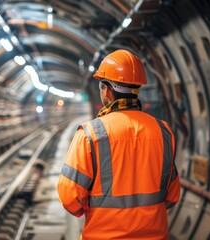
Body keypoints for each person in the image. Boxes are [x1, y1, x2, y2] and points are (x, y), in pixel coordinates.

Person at [57, 49, 180, 240]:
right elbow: (172, 196)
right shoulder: (163, 132)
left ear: (107, 90)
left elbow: (69, 197)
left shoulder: (90, 134)